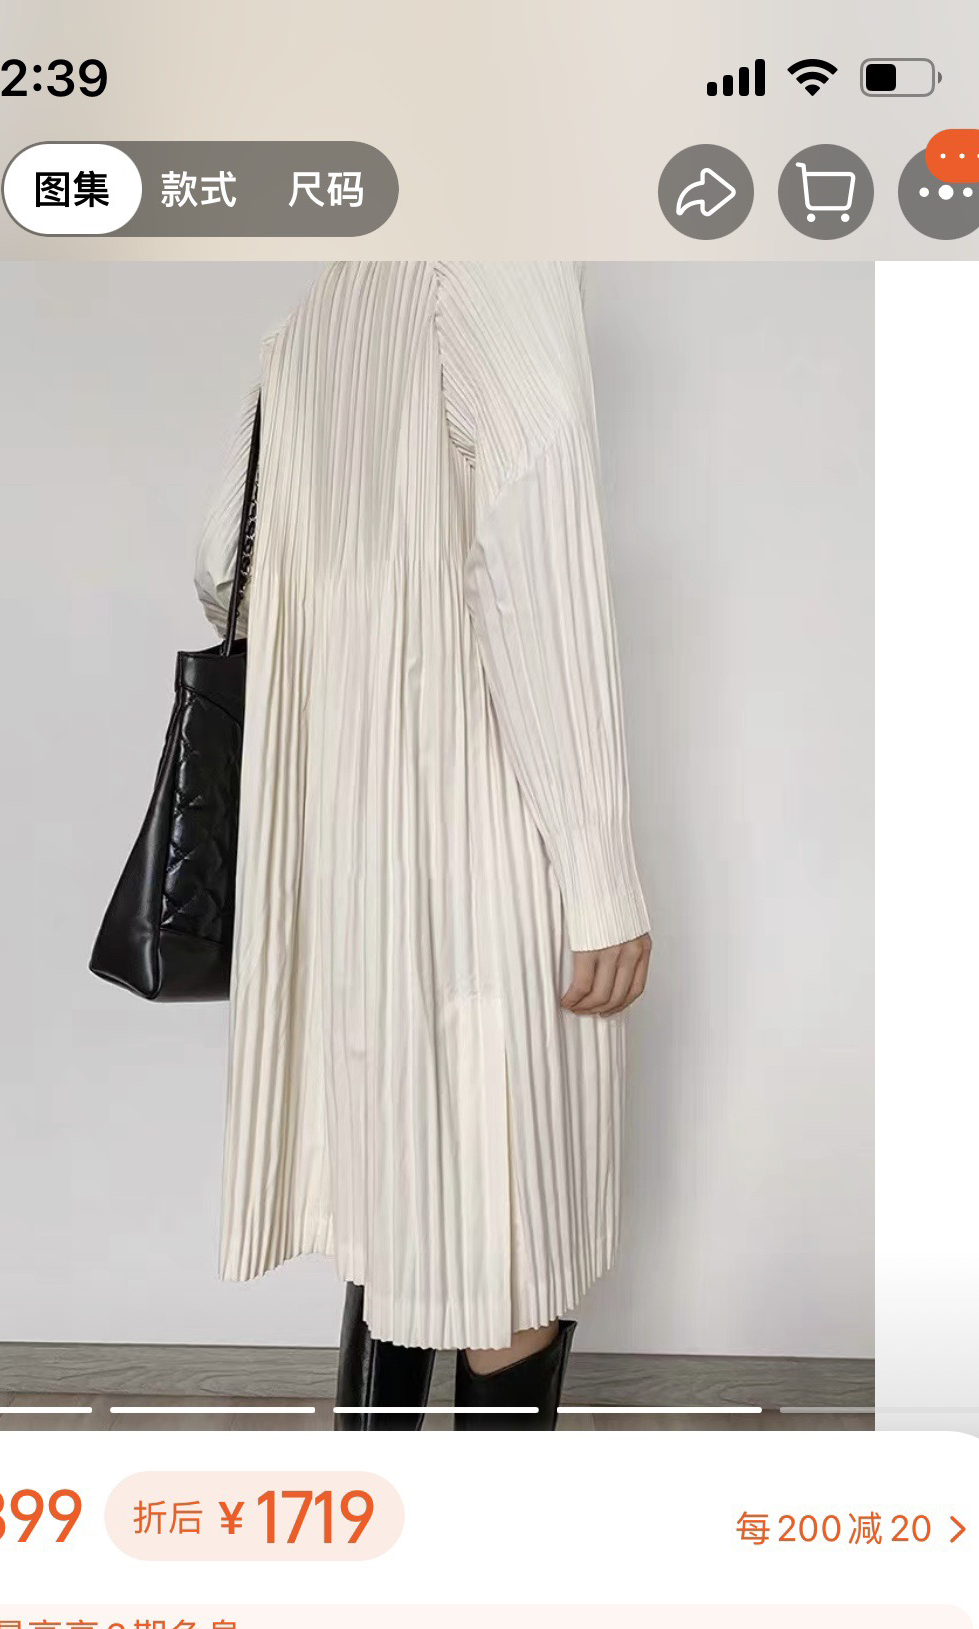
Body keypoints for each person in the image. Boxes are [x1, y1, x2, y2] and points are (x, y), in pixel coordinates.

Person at [196, 263, 651, 1429]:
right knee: (510, 1235)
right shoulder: (502, 258)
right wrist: (598, 860)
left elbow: (219, 569)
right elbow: (537, 569)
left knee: (401, 1201)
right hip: (489, 831)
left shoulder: (315, 311)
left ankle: (374, 1515)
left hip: (350, 848)